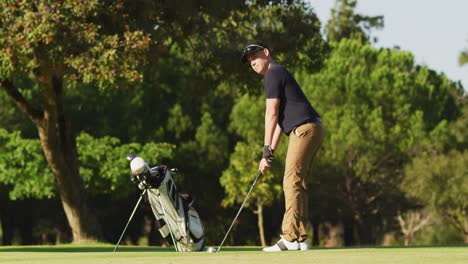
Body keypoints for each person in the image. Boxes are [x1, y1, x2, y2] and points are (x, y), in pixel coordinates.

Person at [241, 40, 324, 252]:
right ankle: (300, 239)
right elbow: (279, 122)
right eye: (249, 61)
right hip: (311, 129)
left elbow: (271, 113)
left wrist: (265, 149)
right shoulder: (277, 74)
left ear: (266, 53)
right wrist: (269, 154)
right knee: (299, 183)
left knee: (290, 181)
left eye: (255, 56)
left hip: (304, 129)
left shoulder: (273, 72)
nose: (252, 62)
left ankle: (288, 237)